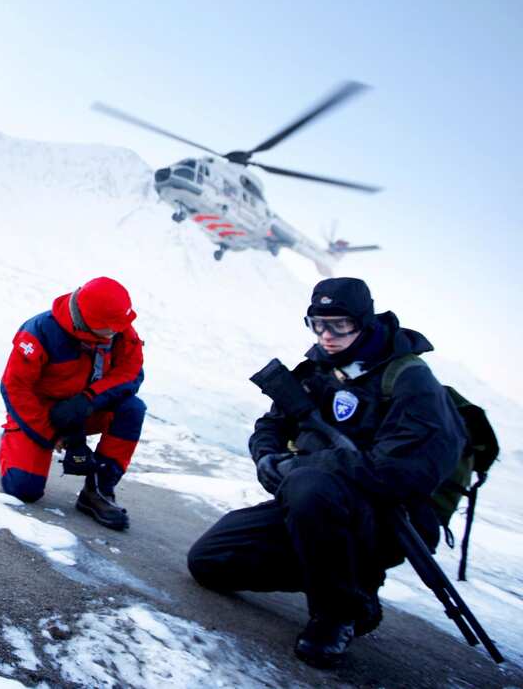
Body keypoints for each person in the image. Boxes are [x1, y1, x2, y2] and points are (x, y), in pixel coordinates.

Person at [187, 277, 466, 668]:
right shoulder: (319, 369)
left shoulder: (409, 379)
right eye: (317, 324)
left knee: (308, 483)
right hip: (312, 509)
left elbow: (401, 471)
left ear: (365, 322)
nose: (327, 335)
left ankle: (341, 612)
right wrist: (266, 457)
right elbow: (271, 425)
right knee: (209, 562)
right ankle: (339, 577)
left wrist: (302, 466)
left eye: (339, 325)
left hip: (386, 519)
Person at [0, 276, 146, 530]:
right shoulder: (39, 331)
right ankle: (18, 441)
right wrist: (53, 433)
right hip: (40, 414)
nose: (118, 331)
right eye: (111, 327)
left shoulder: (118, 330)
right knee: (23, 490)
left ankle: (98, 491)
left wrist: (88, 399)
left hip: (87, 409)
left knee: (132, 408)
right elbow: (15, 389)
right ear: (90, 321)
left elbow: (131, 373)